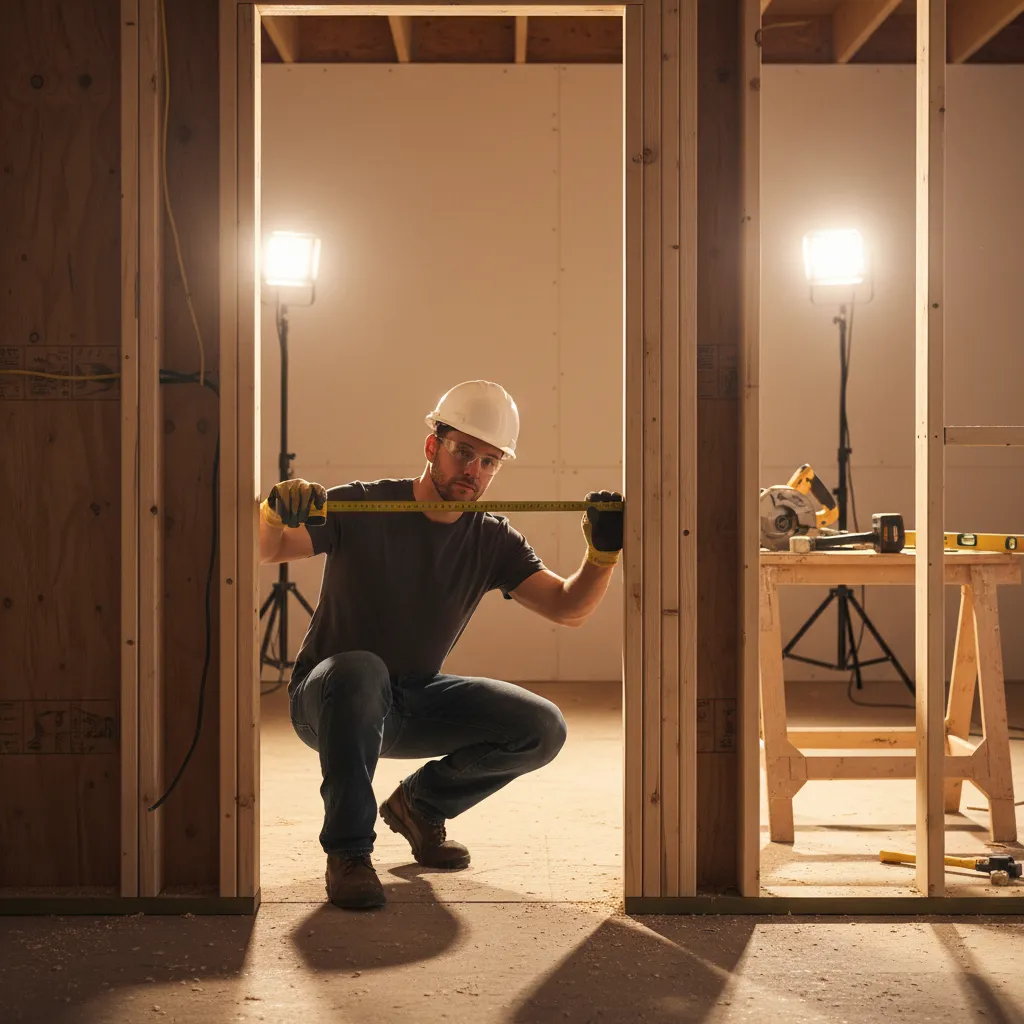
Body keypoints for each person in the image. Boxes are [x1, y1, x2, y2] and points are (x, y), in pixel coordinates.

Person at [259, 380, 623, 910]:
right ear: (433, 447)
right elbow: (271, 551)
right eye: (463, 452)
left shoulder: (492, 538)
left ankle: (420, 804)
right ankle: (349, 854)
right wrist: (273, 514)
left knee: (541, 726)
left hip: (411, 699)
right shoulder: (363, 505)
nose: (474, 470)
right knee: (361, 670)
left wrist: (602, 556)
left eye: (489, 461)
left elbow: (568, 608)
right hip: (328, 699)